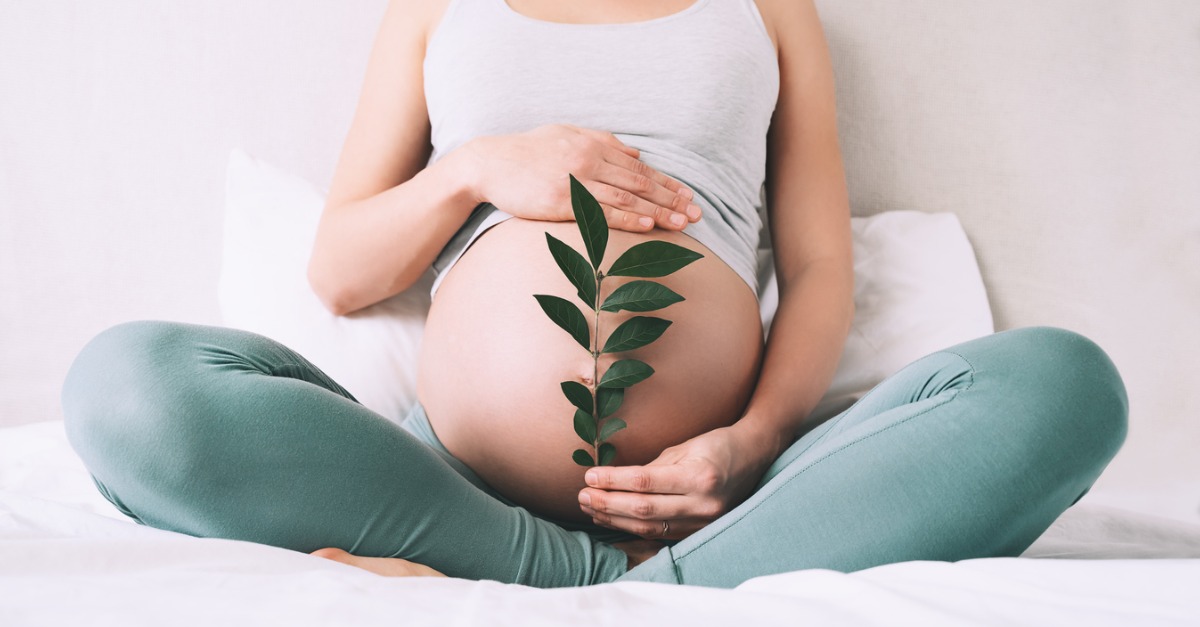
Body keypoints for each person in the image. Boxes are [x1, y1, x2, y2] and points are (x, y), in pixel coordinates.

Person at [61, 0, 1129, 589]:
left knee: (1065, 386)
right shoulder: (435, 7)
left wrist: (750, 444)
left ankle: (633, 579)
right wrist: (476, 169)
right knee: (124, 388)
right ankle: (601, 580)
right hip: (448, 483)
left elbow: (817, 271)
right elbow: (341, 269)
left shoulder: (771, 8)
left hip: (731, 490)